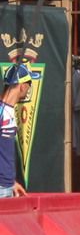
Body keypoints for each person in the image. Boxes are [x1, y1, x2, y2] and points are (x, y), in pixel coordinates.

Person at [1, 63, 40, 196]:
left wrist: (11, 182)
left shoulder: (9, 110)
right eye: (29, 83)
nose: (29, 87)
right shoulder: (1, 111)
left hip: (7, 187)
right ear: (22, 86)